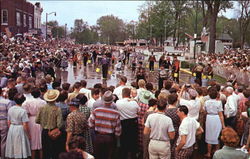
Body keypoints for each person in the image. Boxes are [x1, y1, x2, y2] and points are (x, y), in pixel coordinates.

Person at [88, 91, 121, 159]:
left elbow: (90, 124)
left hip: (98, 136)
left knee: (98, 155)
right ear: (112, 101)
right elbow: (118, 131)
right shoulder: (116, 113)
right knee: (109, 156)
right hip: (110, 138)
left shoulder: (96, 111)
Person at [36, 89, 63, 159]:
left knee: (45, 151)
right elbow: (60, 124)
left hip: (44, 131)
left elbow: (37, 120)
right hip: (54, 132)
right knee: (55, 152)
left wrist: (44, 123)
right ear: (55, 98)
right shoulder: (57, 109)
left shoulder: (42, 108)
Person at [22, 88, 46, 159]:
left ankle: (33, 157)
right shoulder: (43, 102)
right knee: (40, 138)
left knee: (32, 139)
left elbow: (25, 112)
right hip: (41, 120)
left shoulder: (27, 102)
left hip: (31, 120)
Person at [116, 88, 140, 159]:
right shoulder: (134, 103)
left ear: (122, 94)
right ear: (129, 94)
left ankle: (123, 155)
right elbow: (139, 111)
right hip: (133, 124)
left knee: (123, 141)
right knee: (133, 141)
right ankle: (133, 155)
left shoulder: (118, 102)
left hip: (123, 124)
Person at [5, 93, 31, 159]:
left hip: (12, 128)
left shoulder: (10, 109)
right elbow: (25, 124)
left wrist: (10, 129)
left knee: (13, 145)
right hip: (20, 128)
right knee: (20, 146)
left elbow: (8, 121)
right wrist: (28, 134)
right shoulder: (23, 111)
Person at [204, 88, 225, 158]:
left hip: (209, 118)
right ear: (216, 95)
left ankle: (209, 152)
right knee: (216, 135)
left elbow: (205, 111)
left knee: (209, 135)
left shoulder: (206, 102)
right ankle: (217, 152)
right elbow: (221, 115)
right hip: (216, 118)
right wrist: (223, 125)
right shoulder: (219, 103)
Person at [165, 93, 180, 159]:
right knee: (174, 145)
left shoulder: (165, 110)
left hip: (166, 130)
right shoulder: (178, 111)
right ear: (176, 101)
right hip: (176, 129)